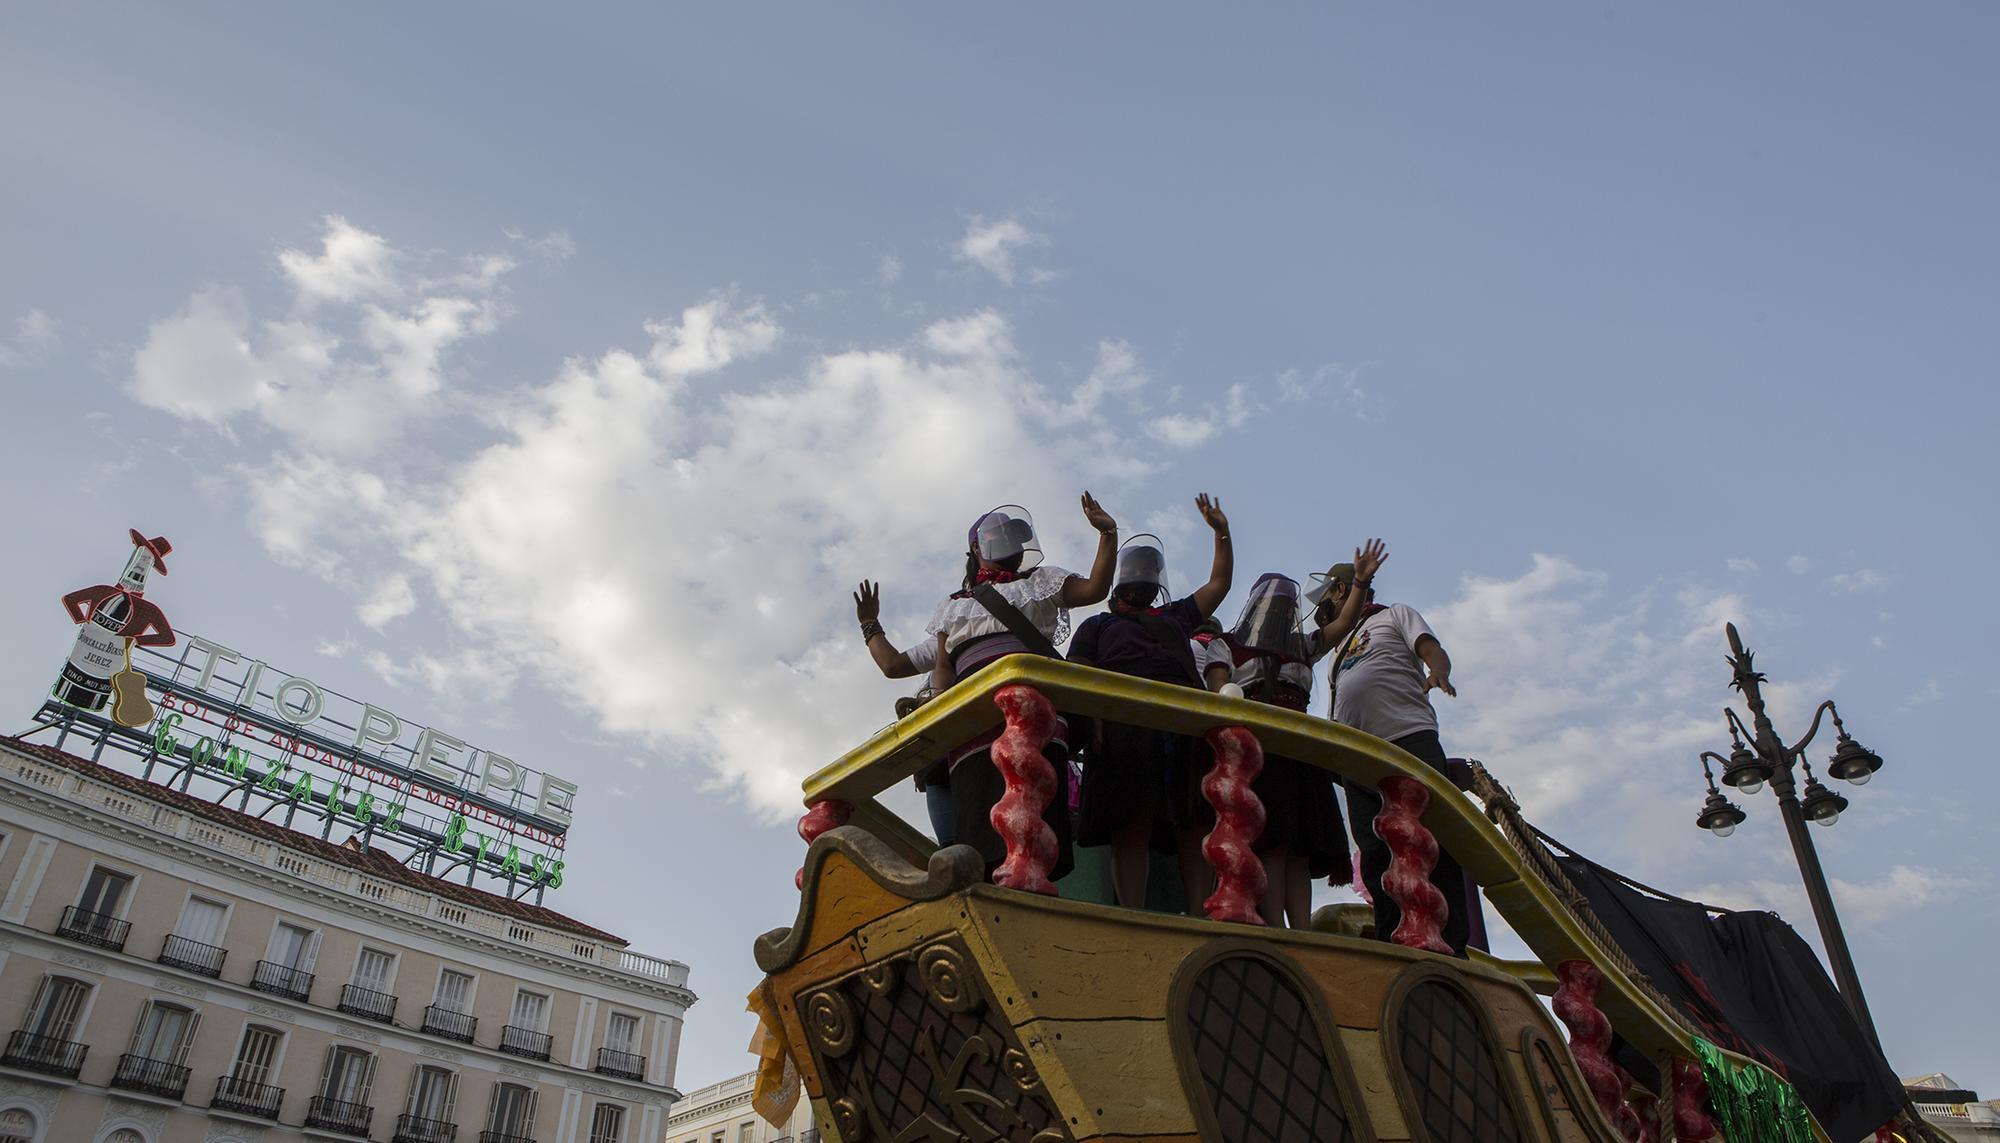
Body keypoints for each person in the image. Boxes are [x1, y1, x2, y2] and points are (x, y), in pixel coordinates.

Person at [855, 493, 1119, 880]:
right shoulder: (955, 606)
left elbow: (1095, 589)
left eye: (1016, 534)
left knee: (1035, 825)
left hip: (1035, 719)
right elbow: (936, 669)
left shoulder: (1041, 584)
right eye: (1000, 534)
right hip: (973, 729)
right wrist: (870, 625)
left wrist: (1107, 534)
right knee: (981, 835)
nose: (1010, 540)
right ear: (978, 548)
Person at [1066, 494, 1233, 913]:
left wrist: (1221, 533)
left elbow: (1219, 585)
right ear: (1120, 577)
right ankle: (1133, 913)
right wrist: (1094, 721)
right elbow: (1078, 678)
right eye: (1134, 568)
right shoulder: (1098, 625)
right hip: (1123, 729)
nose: (1141, 574)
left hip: (1181, 729)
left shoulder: (1175, 618)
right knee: (1130, 823)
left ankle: (1198, 912)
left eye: (1149, 569)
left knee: (1193, 822)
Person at [1207, 540, 1386, 928]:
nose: (1279, 611)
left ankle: (1301, 929)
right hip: (1258, 756)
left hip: (1301, 757)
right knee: (1272, 843)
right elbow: (1218, 692)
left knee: (1299, 848)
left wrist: (1359, 583)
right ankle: (1276, 925)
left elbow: (1342, 625)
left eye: (1286, 606)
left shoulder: (1303, 647)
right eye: (1273, 605)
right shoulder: (1228, 646)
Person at [1309, 561, 1481, 955]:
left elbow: (1430, 648)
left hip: (1407, 737)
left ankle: (1451, 942)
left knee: (1431, 839)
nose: (1322, 606)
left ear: (1340, 591)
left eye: (1326, 596)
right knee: (1374, 852)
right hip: (1357, 755)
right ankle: (1392, 939)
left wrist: (1438, 670)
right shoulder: (1336, 649)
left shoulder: (1394, 615)